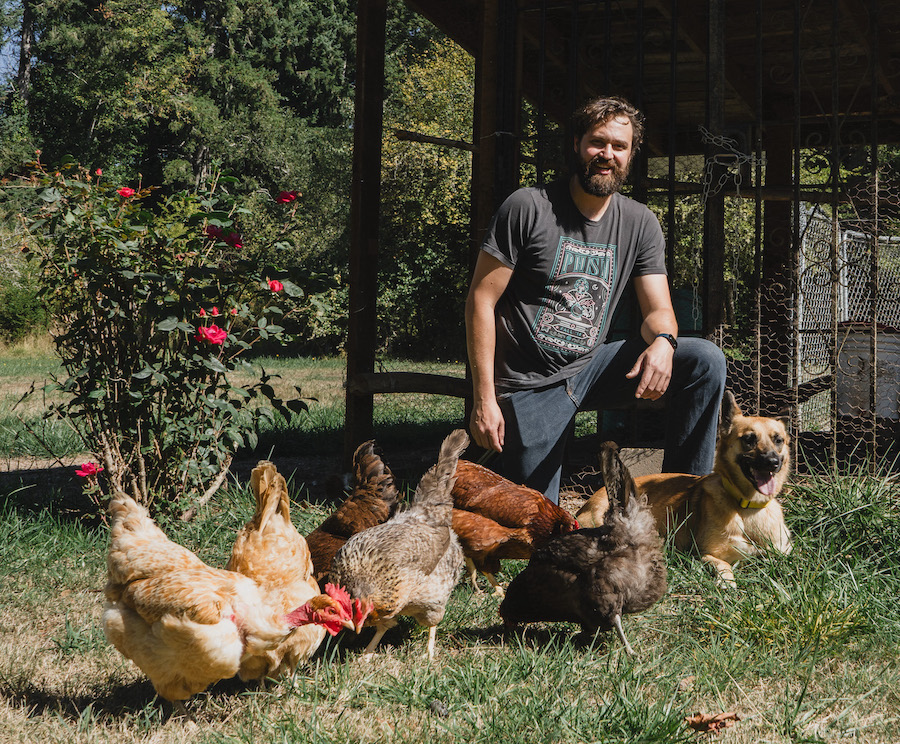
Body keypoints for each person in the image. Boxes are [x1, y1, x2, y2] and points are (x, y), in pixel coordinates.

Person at [466, 95, 726, 504]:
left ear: (631, 155)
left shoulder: (640, 223)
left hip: (590, 367)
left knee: (703, 360)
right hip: (528, 384)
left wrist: (663, 342)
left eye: (619, 147)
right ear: (577, 144)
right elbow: (482, 300)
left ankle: (686, 508)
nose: (607, 155)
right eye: (597, 142)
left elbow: (658, 310)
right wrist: (484, 399)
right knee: (537, 525)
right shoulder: (528, 207)